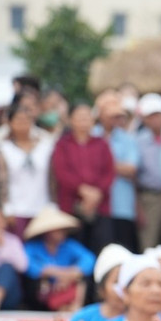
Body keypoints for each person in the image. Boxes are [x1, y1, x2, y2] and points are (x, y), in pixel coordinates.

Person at [52, 102, 116, 252]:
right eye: (79, 117)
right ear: (71, 120)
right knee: (75, 247)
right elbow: (62, 172)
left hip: (100, 205)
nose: (84, 121)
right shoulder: (62, 145)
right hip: (71, 205)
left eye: (87, 117)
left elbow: (109, 172)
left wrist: (96, 193)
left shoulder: (101, 144)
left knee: (101, 248)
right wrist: (83, 190)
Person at [0, 101, 55, 236]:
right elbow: (1, 181)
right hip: (17, 210)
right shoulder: (4, 148)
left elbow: (52, 177)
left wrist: (53, 203)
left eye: (26, 119)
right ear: (10, 123)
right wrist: (6, 208)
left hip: (42, 208)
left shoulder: (45, 145)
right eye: (18, 119)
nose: (23, 122)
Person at [94, 92, 142, 252]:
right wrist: (115, 165)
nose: (117, 120)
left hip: (122, 206)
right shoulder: (92, 135)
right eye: (112, 116)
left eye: (118, 116)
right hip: (97, 205)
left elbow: (131, 168)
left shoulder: (127, 139)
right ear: (100, 115)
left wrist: (104, 164)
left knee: (124, 250)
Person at [23, 207, 95, 311]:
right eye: (58, 230)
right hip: (44, 291)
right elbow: (27, 265)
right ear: (48, 231)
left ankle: (74, 308)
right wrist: (54, 273)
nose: (62, 233)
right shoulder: (33, 247)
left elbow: (89, 259)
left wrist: (70, 275)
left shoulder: (69, 245)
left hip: (67, 287)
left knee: (83, 280)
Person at [135, 93, 161, 250]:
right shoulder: (137, 141)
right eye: (151, 116)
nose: (156, 120)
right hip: (149, 197)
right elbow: (134, 176)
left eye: (159, 115)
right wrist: (138, 206)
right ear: (144, 119)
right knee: (148, 243)